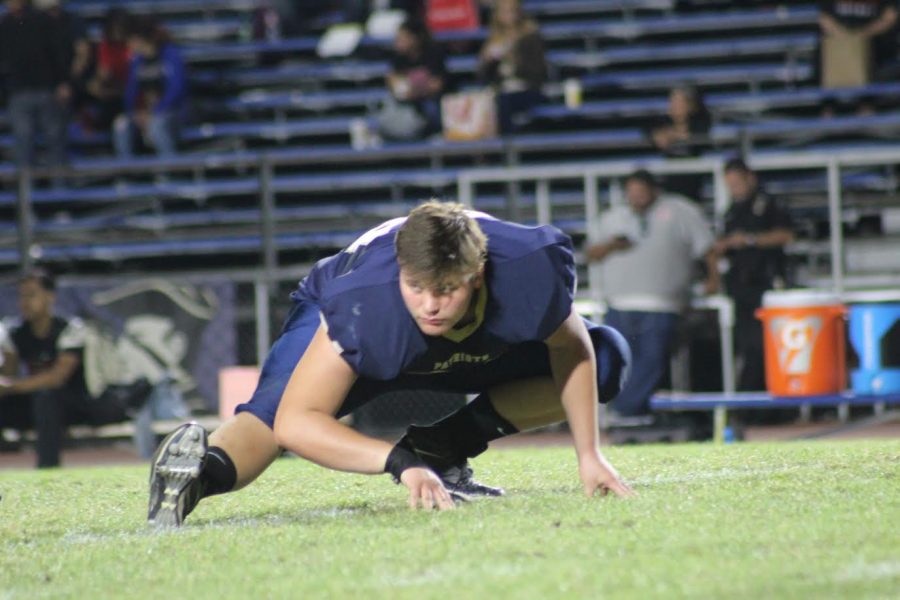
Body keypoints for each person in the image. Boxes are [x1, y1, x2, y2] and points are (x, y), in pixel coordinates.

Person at [148, 200, 634, 527]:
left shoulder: (530, 271)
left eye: (446, 288)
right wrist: (400, 465)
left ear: (478, 275)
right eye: (416, 287)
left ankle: (441, 447)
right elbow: (297, 423)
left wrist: (588, 454)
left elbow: (573, 352)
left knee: (607, 355)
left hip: (473, 341)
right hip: (372, 331)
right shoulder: (366, 303)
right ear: (400, 273)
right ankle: (195, 479)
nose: (430, 305)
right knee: (272, 417)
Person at [585, 170, 719, 418]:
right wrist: (613, 244)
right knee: (620, 361)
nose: (637, 197)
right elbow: (590, 253)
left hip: (663, 303)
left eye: (642, 191)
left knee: (651, 361)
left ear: (654, 190)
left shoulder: (680, 211)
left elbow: (708, 247)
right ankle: (630, 412)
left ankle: (626, 412)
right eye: (633, 192)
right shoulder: (614, 218)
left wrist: (713, 278)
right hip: (619, 303)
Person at [0, 269, 150, 468]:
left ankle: (48, 467)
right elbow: (8, 374)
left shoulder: (71, 330)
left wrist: (10, 386)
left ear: (50, 297)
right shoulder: (14, 332)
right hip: (37, 405)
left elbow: (57, 378)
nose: (24, 302)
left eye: (31, 295)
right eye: (21, 296)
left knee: (47, 396)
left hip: (82, 404)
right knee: (40, 399)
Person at [714, 158, 794, 392]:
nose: (734, 189)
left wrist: (749, 240)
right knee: (748, 347)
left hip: (766, 285)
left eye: (737, 183)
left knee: (765, 347)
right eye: (730, 185)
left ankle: (756, 406)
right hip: (741, 288)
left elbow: (786, 235)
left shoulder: (768, 205)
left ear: (750, 178)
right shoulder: (731, 211)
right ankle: (751, 405)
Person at [0, 0, 69, 169]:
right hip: (18, 93)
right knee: (23, 142)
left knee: (54, 139)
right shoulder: (4, 26)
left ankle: (59, 188)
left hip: (46, 89)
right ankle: (26, 191)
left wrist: (62, 82)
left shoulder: (42, 21)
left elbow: (56, 53)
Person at [113, 16, 187, 158]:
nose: (129, 44)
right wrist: (135, 112)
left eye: (132, 39)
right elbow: (131, 92)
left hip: (172, 112)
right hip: (144, 112)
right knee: (121, 125)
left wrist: (155, 111)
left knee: (156, 126)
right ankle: (127, 172)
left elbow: (176, 89)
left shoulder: (170, 54)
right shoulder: (137, 61)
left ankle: (169, 171)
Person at [477, 0, 547, 134]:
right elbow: (483, 77)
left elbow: (539, 72)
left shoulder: (530, 37)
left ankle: (508, 147)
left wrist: (515, 60)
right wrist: (487, 61)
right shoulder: (494, 39)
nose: (509, 15)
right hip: (501, 91)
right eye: (504, 11)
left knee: (502, 104)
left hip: (527, 89)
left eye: (512, 11)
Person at [377, 19, 448, 140]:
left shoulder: (433, 54)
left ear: (415, 38)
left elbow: (437, 85)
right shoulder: (397, 58)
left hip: (428, 102)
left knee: (431, 107)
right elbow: (394, 82)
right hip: (407, 103)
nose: (398, 42)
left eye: (403, 38)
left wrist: (415, 91)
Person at [648, 85, 711, 201]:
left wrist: (674, 135)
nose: (673, 106)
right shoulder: (662, 123)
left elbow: (697, 137)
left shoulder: (701, 123)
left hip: (693, 184)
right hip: (670, 185)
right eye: (672, 102)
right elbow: (649, 132)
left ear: (690, 105)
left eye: (678, 102)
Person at [819, 0, 898, 88]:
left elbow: (890, 17)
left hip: (880, 55)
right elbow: (824, 17)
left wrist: (863, 34)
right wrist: (846, 37)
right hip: (842, 53)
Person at [83, 8, 131, 133]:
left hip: (130, 88)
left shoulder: (131, 44)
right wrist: (97, 84)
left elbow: (135, 73)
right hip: (113, 88)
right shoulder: (106, 46)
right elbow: (104, 71)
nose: (118, 31)